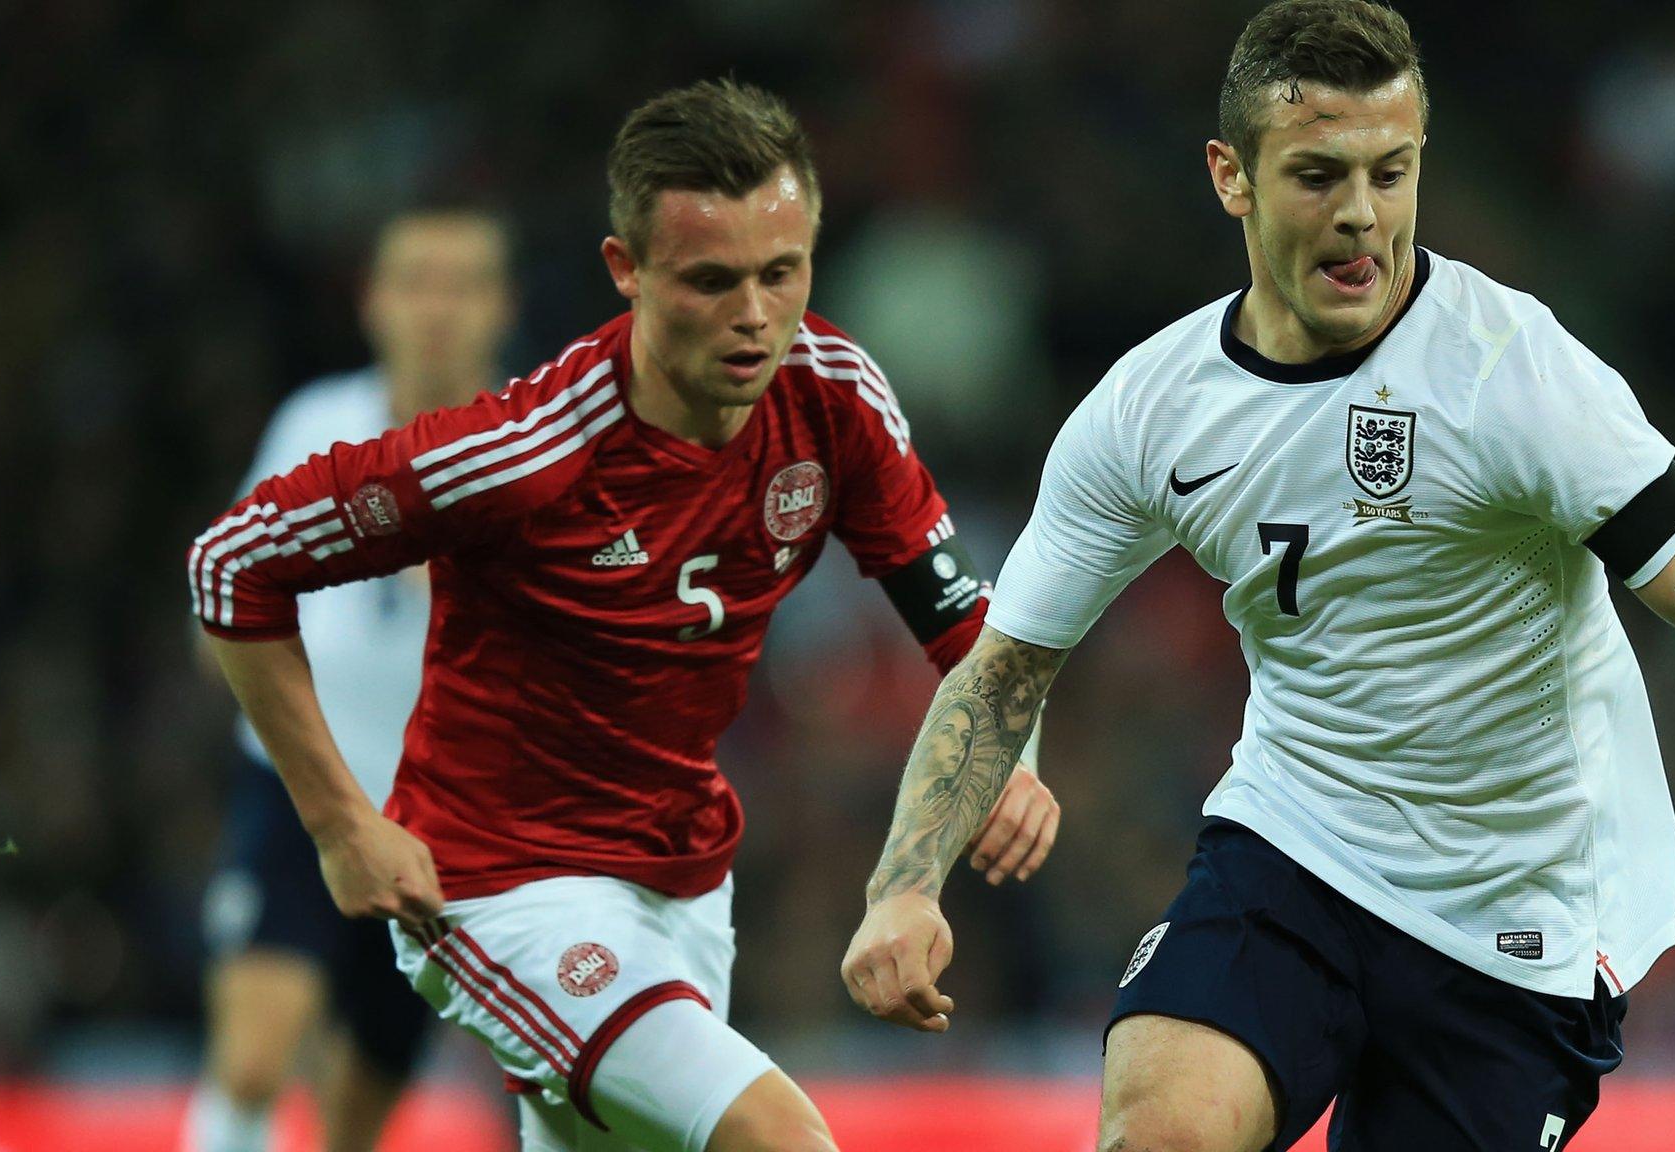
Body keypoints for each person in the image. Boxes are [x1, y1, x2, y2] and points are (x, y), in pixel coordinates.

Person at [840, 3, 1675, 1150]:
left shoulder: (1513, 375)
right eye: (1315, 174)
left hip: (1517, 914)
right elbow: (1006, 671)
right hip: (1296, 846)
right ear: (1229, 177)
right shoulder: (1149, 409)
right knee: (1161, 1129)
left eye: (1388, 173)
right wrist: (902, 886)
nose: (1359, 215)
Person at [185, 79, 1057, 1152]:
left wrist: (951, 828)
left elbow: (976, 644)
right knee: (782, 1140)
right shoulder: (520, 455)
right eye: (710, 280)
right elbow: (232, 565)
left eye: (781, 274)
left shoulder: (831, 395)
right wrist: (336, 823)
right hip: (500, 888)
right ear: (625, 271)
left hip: (682, 887)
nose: (753, 317)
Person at [182, 207, 516, 1152]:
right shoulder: (317, 425)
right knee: (253, 1054)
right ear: (374, 301)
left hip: (441, 818)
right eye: (417, 281)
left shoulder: (528, 452)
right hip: (301, 789)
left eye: (463, 284)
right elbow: (226, 583)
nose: (437, 308)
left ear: (502, 307)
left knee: (358, 1115)